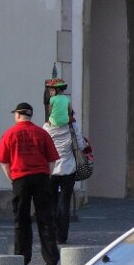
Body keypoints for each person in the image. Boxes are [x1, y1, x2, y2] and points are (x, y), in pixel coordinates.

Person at [0, 101, 60, 265]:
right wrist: (47, 175)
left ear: (17, 115)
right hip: (41, 178)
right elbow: (52, 160)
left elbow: (4, 162)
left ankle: (22, 257)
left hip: (20, 178)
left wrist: (12, 178)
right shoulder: (42, 133)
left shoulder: (9, 134)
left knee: (21, 220)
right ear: (30, 115)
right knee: (46, 218)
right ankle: (51, 258)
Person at [43, 92, 87, 244]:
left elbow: (44, 148)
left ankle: (53, 234)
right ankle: (62, 236)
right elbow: (80, 145)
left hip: (52, 170)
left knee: (52, 202)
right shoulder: (72, 124)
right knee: (65, 203)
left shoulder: (47, 127)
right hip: (68, 169)